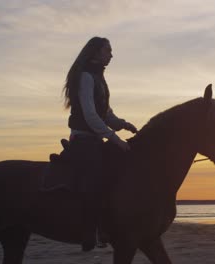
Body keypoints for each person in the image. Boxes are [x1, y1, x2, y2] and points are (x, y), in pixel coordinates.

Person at [62, 36, 138, 251]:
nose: (111, 55)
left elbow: (106, 114)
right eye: (108, 50)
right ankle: (89, 230)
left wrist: (123, 124)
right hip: (83, 140)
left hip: (94, 138)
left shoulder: (98, 78)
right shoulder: (86, 76)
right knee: (97, 176)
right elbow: (90, 115)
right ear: (95, 52)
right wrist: (115, 139)